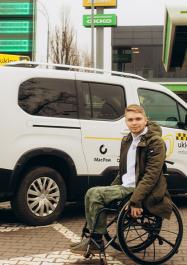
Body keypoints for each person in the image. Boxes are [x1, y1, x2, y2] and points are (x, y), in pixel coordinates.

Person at [68, 104, 173, 255]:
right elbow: (123, 171)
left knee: (96, 194)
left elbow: (152, 176)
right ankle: (93, 237)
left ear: (145, 120)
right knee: (91, 193)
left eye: (138, 119)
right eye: (130, 120)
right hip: (126, 187)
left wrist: (136, 201)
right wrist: (111, 190)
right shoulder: (127, 140)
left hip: (143, 190)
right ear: (126, 122)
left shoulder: (156, 142)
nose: (134, 123)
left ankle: (97, 241)